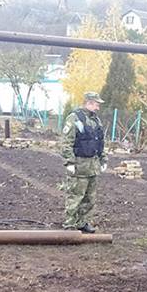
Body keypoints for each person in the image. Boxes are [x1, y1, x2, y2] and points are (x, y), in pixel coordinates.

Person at [61, 91, 107, 234]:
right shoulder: (74, 118)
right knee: (75, 196)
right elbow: (66, 143)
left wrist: (103, 159)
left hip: (92, 166)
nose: (98, 107)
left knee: (90, 198)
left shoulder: (96, 121)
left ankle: (82, 223)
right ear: (88, 103)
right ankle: (69, 225)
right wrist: (69, 163)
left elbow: (100, 143)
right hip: (79, 166)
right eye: (96, 104)